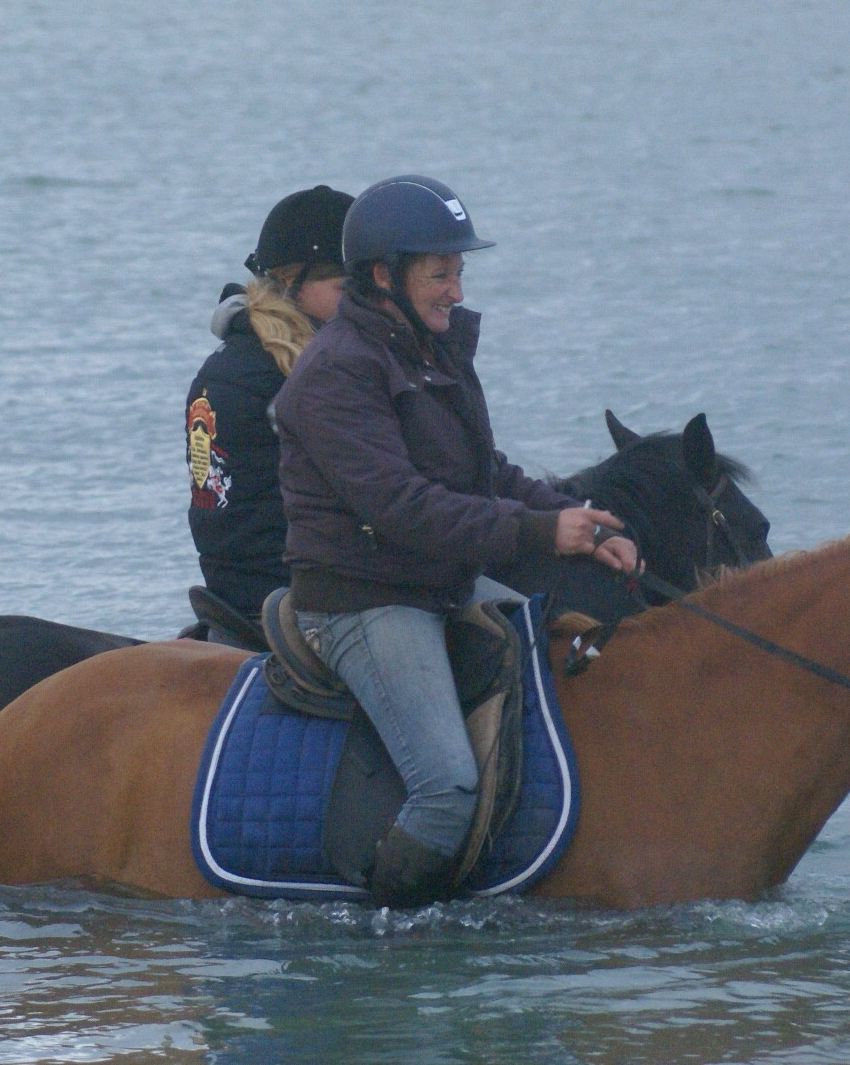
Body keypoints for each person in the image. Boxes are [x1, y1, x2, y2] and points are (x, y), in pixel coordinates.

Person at [273, 175, 639, 907]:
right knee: (446, 788)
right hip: (365, 602)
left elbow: (485, 473)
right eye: (441, 272)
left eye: (460, 271)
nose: (456, 289)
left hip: (437, 583)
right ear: (384, 277)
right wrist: (541, 532)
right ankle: (383, 943)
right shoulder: (336, 373)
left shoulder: (429, 349)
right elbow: (404, 509)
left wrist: (580, 521)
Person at [185, 186, 353, 632]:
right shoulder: (294, 375)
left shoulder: (231, 361)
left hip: (232, 586)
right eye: (347, 286)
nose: (363, 300)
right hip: (294, 594)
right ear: (295, 284)